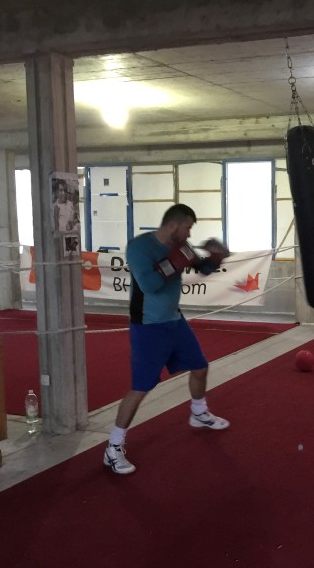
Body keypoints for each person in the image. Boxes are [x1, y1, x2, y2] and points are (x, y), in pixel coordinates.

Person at [103, 203, 230, 475]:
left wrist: (216, 257)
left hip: (175, 320)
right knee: (141, 387)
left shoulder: (182, 246)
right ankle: (113, 447)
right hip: (148, 327)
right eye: (187, 228)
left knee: (200, 367)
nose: (189, 234)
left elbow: (203, 268)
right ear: (174, 225)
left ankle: (199, 412)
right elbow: (149, 284)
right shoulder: (139, 247)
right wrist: (175, 261)